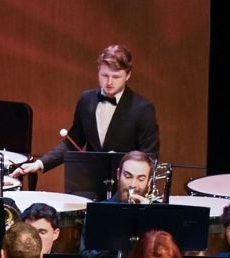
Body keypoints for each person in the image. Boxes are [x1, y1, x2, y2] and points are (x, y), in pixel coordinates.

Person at [17, 45, 160, 178]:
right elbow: (73, 143)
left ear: (128, 75)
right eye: (105, 75)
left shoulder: (142, 108)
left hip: (124, 187)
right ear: (98, 70)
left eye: (116, 77)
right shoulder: (86, 100)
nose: (109, 82)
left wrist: (121, 162)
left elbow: (149, 155)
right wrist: (39, 164)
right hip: (89, 182)